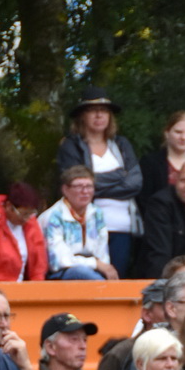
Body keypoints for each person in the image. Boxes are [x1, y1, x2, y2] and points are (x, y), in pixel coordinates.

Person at [56, 88, 142, 275]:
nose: (99, 115)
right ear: (81, 116)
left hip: (122, 227)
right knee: (91, 279)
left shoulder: (121, 144)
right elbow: (76, 184)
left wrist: (93, 181)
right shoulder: (71, 146)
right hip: (86, 228)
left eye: (104, 110)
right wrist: (119, 175)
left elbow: (135, 183)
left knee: (118, 280)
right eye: (92, 110)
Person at [39, 166, 117, 281]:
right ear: (65, 190)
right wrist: (96, 263)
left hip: (92, 270)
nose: (85, 191)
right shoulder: (53, 217)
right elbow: (58, 261)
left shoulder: (96, 213)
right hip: (60, 273)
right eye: (79, 186)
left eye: (89, 186)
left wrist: (102, 266)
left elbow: (102, 256)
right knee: (83, 273)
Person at [138, 109, 185, 207]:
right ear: (167, 133)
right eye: (178, 132)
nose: (183, 137)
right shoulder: (150, 163)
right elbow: (144, 200)